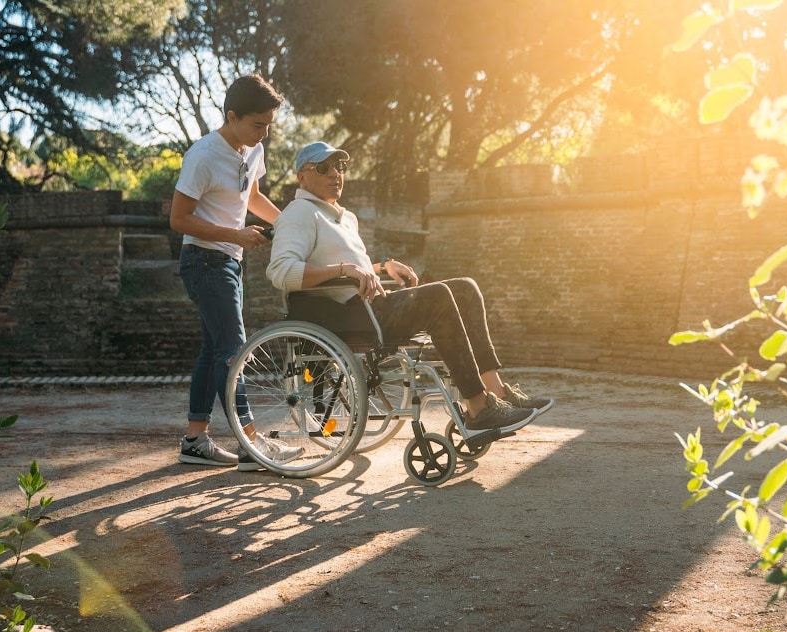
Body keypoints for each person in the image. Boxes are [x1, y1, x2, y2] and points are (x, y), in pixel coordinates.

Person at [267, 142, 554, 434]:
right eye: (324, 168)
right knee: (437, 297)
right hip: (348, 316)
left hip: (372, 305)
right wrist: (345, 270)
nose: (336, 174)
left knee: (466, 288)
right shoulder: (298, 214)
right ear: (302, 177)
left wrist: (381, 267)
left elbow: (351, 266)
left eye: (340, 167)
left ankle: (498, 393)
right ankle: (478, 409)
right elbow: (282, 272)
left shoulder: (344, 217)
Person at [170, 73, 303, 469]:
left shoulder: (252, 150)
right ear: (231, 116)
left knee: (214, 349)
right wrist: (235, 234)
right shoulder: (203, 155)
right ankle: (251, 445)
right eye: (256, 124)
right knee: (234, 351)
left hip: (228, 260)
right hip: (204, 260)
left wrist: (288, 226)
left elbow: (254, 196)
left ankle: (195, 440)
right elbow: (179, 219)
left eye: (268, 126)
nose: (263, 134)